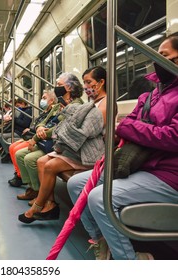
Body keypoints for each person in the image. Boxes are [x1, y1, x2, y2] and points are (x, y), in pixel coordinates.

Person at [67, 32, 178, 260]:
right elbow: (128, 125)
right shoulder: (150, 96)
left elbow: (173, 137)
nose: (158, 61)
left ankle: (128, 261)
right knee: (76, 184)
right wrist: (130, 129)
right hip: (142, 164)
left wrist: (129, 128)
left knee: (99, 198)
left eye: (165, 56)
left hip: (168, 173)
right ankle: (103, 243)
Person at [18, 66, 107, 224]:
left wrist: (64, 129)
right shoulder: (91, 103)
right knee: (41, 161)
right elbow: (71, 125)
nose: (86, 86)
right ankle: (49, 203)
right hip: (77, 148)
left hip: (88, 152)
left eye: (89, 82)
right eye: (84, 82)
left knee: (50, 166)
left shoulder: (104, 104)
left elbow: (86, 132)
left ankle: (37, 207)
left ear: (100, 83)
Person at [15, 73, 84, 203]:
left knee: (30, 159)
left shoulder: (77, 106)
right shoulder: (58, 105)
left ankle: (41, 195)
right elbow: (44, 120)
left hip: (59, 144)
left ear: (69, 87)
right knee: (19, 154)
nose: (56, 88)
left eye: (59, 85)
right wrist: (40, 128)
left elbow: (61, 128)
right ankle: (34, 189)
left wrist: (36, 137)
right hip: (47, 141)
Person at [7, 90, 58, 189]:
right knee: (12, 147)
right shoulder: (44, 112)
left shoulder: (53, 113)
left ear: (51, 101)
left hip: (39, 139)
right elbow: (37, 125)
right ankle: (19, 174)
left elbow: (45, 129)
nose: (41, 100)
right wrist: (31, 129)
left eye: (44, 98)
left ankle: (21, 178)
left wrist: (33, 133)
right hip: (33, 135)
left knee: (18, 151)